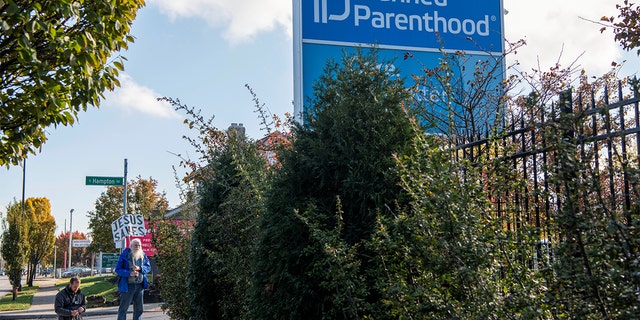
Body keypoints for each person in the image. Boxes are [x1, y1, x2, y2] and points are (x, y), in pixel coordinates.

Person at [115, 238, 151, 320]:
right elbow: (118, 269)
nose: (137, 247)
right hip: (128, 286)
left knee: (139, 309)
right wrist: (129, 273)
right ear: (131, 246)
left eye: (139, 245)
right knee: (123, 308)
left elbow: (148, 267)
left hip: (139, 285)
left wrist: (140, 268)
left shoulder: (143, 255)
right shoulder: (125, 255)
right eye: (135, 245)